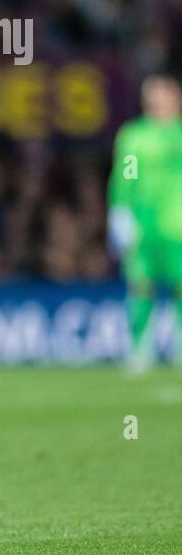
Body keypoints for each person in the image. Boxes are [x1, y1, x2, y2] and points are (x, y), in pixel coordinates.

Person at [108, 74, 182, 373]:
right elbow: (123, 178)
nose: (154, 100)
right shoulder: (133, 135)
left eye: (161, 93)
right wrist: (119, 212)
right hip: (141, 226)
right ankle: (140, 349)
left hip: (177, 224)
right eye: (149, 94)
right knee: (139, 285)